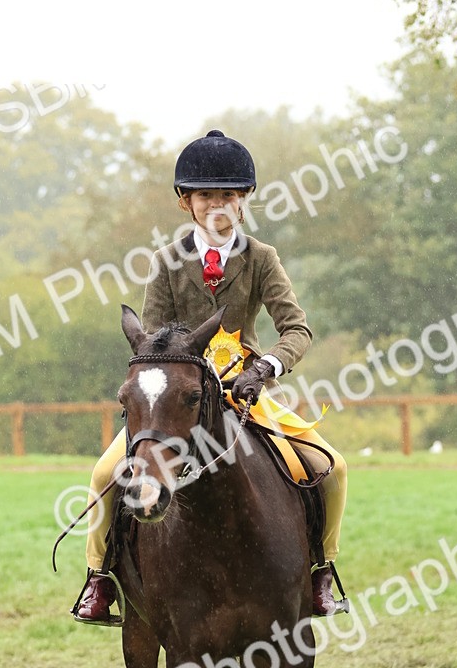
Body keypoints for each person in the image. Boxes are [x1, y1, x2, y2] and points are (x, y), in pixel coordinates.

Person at [75, 129, 348, 624]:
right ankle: (100, 578)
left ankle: (320, 572)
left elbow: (297, 328)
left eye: (228, 195)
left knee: (330, 465)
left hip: (246, 392)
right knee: (102, 474)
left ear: (243, 200)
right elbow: (154, 341)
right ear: (187, 202)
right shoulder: (165, 263)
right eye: (206, 196)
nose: (217, 205)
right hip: (179, 401)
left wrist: (266, 368)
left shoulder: (261, 258)